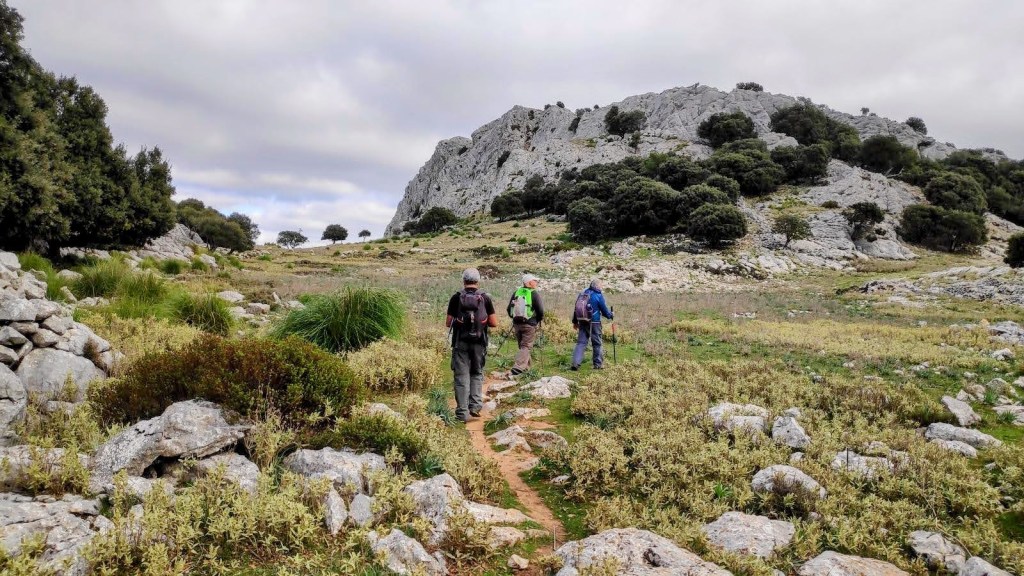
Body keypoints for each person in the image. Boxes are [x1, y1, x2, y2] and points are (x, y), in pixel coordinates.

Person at [446, 268, 498, 422]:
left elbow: (448, 323)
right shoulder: (485, 298)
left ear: (464, 281)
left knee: (461, 376)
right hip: (479, 344)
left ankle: (461, 413)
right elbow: (494, 323)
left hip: (460, 342)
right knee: (476, 373)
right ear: (478, 281)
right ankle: (475, 406)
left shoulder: (456, 298)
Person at [506, 273, 545, 376]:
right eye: (534, 281)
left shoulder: (516, 292)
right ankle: (518, 367)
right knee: (526, 346)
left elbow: (508, 309)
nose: (536, 282)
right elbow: (540, 310)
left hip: (517, 324)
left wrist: (514, 319)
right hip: (529, 324)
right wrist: (537, 320)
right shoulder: (534, 293)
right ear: (529, 282)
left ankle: (527, 369)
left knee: (522, 346)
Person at [571, 279, 613, 371]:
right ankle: (597, 364)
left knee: (581, 343)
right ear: (597, 286)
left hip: (582, 321)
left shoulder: (582, 294)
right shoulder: (598, 295)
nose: (601, 287)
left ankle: (575, 363)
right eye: (601, 285)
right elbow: (604, 311)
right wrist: (610, 315)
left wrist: (575, 322)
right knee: (597, 343)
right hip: (595, 322)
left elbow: (576, 309)